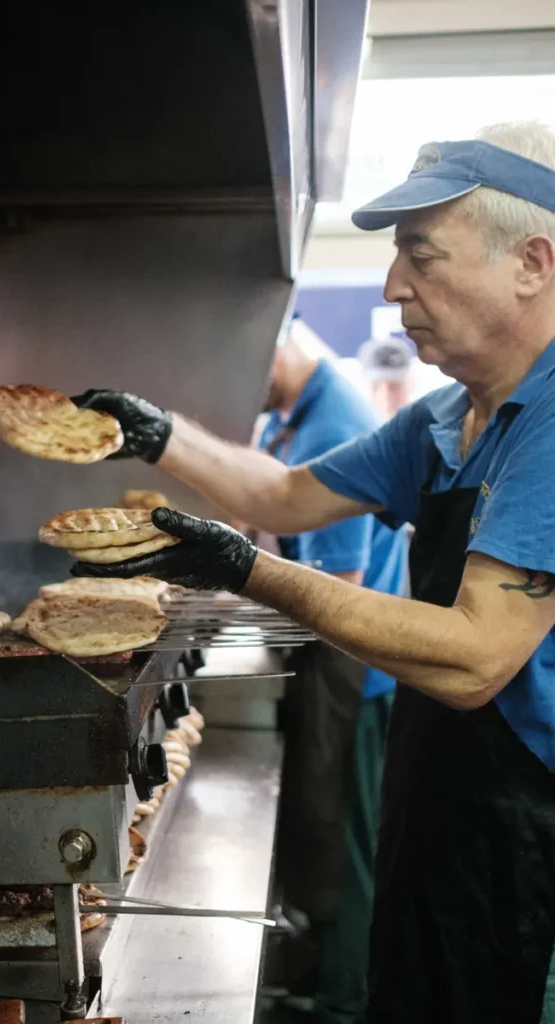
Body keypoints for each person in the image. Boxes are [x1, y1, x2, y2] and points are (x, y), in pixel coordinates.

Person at [70, 121, 555, 1023]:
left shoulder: (551, 423)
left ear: (531, 261)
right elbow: (289, 493)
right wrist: (158, 434)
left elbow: (480, 656)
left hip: (531, 836)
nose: (392, 285)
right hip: (440, 797)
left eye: (421, 254)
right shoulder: (450, 417)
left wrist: (244, 567)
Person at [255, 323, 407, 1024]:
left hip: (358, 671)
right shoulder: (289, 418)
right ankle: (324, 972)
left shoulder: (335, 425)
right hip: (331, 660)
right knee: (326, 829)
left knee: (351, 840)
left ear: (276, 351)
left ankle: (347, 999)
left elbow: (338, 585)